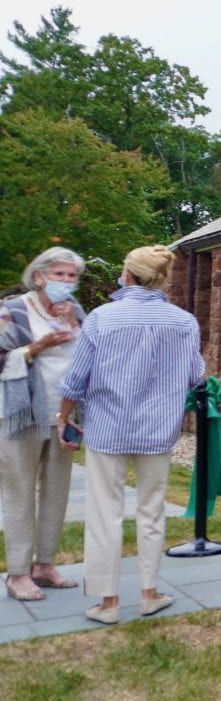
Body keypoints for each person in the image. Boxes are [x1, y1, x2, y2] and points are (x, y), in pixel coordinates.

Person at [55, 246, 205, 625]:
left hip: (107, 426)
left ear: (128, 274)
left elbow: (76, 379)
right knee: (151, 509)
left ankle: (107, 602)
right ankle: (150, 592)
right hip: (159, 428)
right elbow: (195, 376)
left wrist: (63, 417)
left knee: (104, 511)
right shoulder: (184, 322)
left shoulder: (102, 318)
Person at [0, 247, 86, 601]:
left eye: (71, 276)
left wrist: (75, 327)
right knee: (19, 492)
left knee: (56, 490)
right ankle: (18, 572)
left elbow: (86, 358)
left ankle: (45, 565)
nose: (66, 282)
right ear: (39, 276)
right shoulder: (12, 311)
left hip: (61, 413)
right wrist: (37, 346)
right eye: (59, 275)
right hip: (20, 414)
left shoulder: (76, 311)